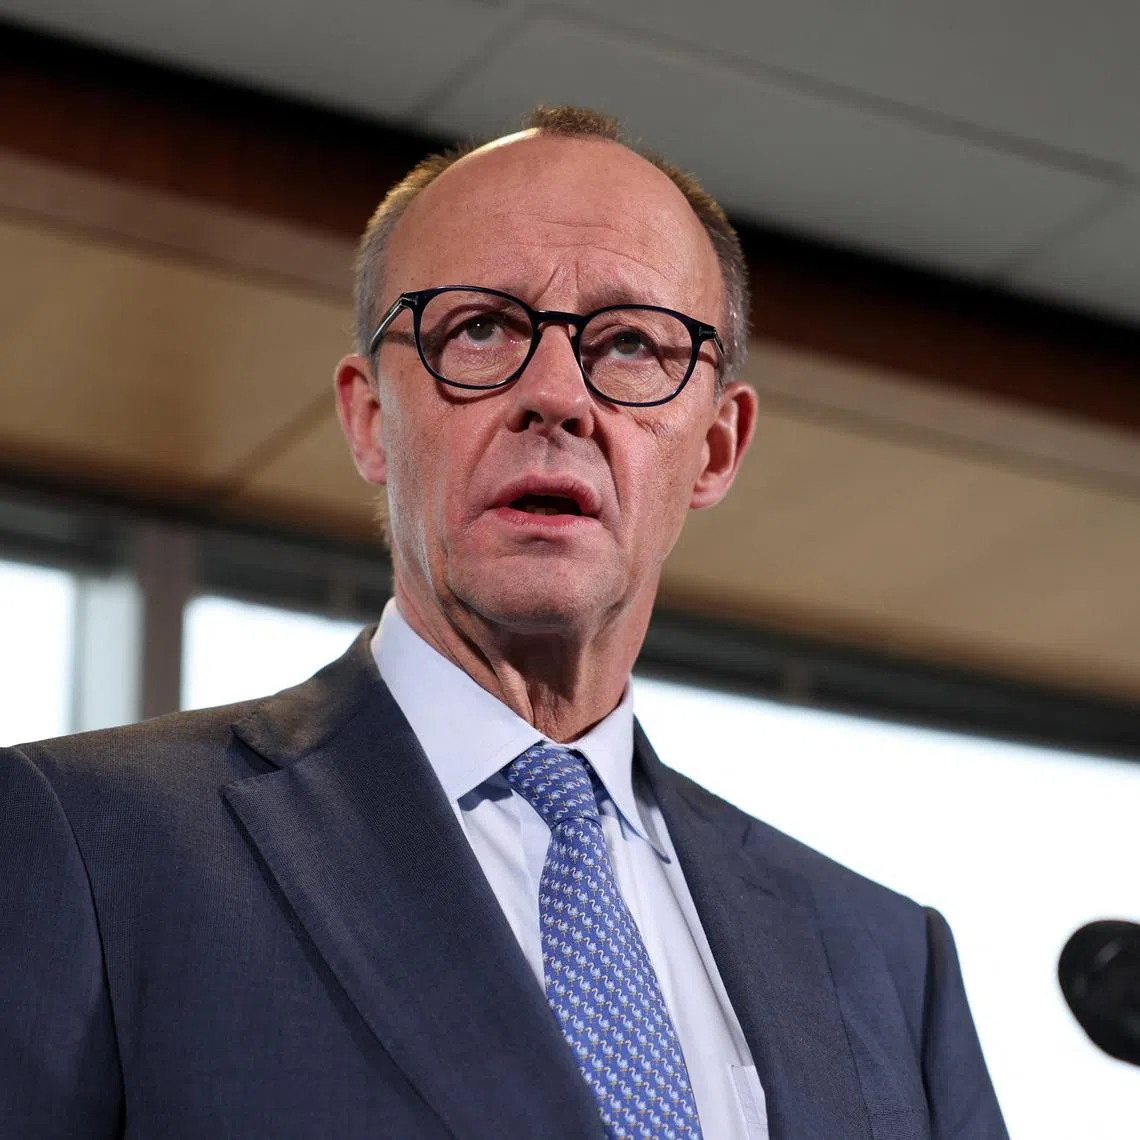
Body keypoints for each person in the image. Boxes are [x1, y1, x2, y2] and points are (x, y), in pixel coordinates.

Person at [0, 106, 1007, 1139]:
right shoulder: (83, 842)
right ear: (370, 418)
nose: (558, 395)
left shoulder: (889, 965)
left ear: (716, 447)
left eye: (630, 344)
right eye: (479, 329)